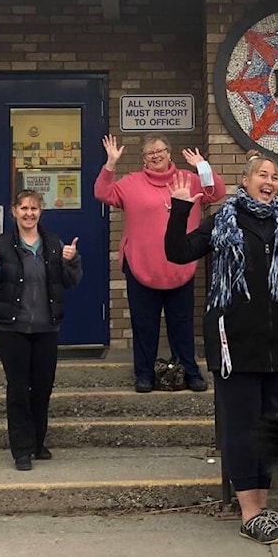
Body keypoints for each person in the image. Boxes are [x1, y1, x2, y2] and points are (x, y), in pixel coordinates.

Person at [165, 150, 278, 545]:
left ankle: (261, 505)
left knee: (269, 427)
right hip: (235, 341)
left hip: (277, 341)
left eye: (275, 177)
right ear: (245, 181)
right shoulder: (224, 221)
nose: (270, 181)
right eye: (263, 175)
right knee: (243, 426)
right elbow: (177, 252)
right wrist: (179, 210)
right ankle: (250, 512)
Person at [95, 134, 226, 393]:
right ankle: (144, 374)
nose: (155, 156)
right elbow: (102, 192)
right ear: (143, 158)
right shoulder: (131, 183)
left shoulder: (189, 180)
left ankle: (189, 371)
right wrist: (110, 164)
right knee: (144, 324)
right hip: (140, 265)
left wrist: (203, 166)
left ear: (170, 152)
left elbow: (216, 192)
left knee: (182, 323)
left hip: (180, 267)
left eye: (160, 151)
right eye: (149, 153)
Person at [0, 189, 82, 471]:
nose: (28, 213)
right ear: (14, 211)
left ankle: (38, 442)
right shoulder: (2, 244)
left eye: (34, 208)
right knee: (19, 389)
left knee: (43, 387)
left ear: (40, 212)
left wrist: (71, 260)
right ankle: (21, 450)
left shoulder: (53, 243)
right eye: (23, 208)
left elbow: (70, 281)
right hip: (11, 328)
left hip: (46, 327)